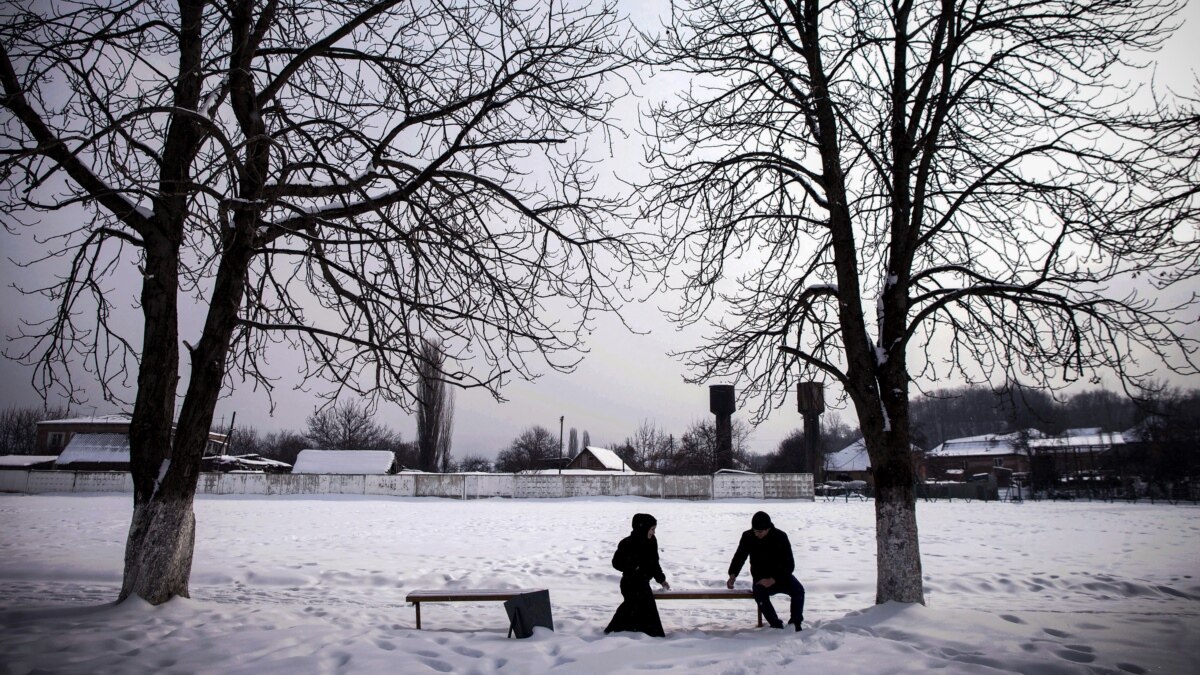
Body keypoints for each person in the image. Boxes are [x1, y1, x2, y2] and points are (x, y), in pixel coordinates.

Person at [726, 511, 805, 631]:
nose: (756, 534)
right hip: (760, 577)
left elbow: (790, 565)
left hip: (781, 576)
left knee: (798, 590)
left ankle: (795, 623)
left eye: (760, 532)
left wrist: (773, 579)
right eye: (754, 531)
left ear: (768, 529)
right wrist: (733, 574)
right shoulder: (748, 536)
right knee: (759, 593)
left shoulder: (780, 537)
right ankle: (776, 625)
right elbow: (740, 556)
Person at [605, 513, 671, 636]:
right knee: (635, 605)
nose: (654, 532)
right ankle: (616, 632)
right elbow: (616, 563)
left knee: (643, 607)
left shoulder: (652, 541)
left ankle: (639, 633)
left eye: (654, 529)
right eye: (652, 529)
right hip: (630, 583)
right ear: (643, 528)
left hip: (642, 582)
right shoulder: (627, 543)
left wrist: (661, 580)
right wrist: (633, 566)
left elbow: (654, 563)